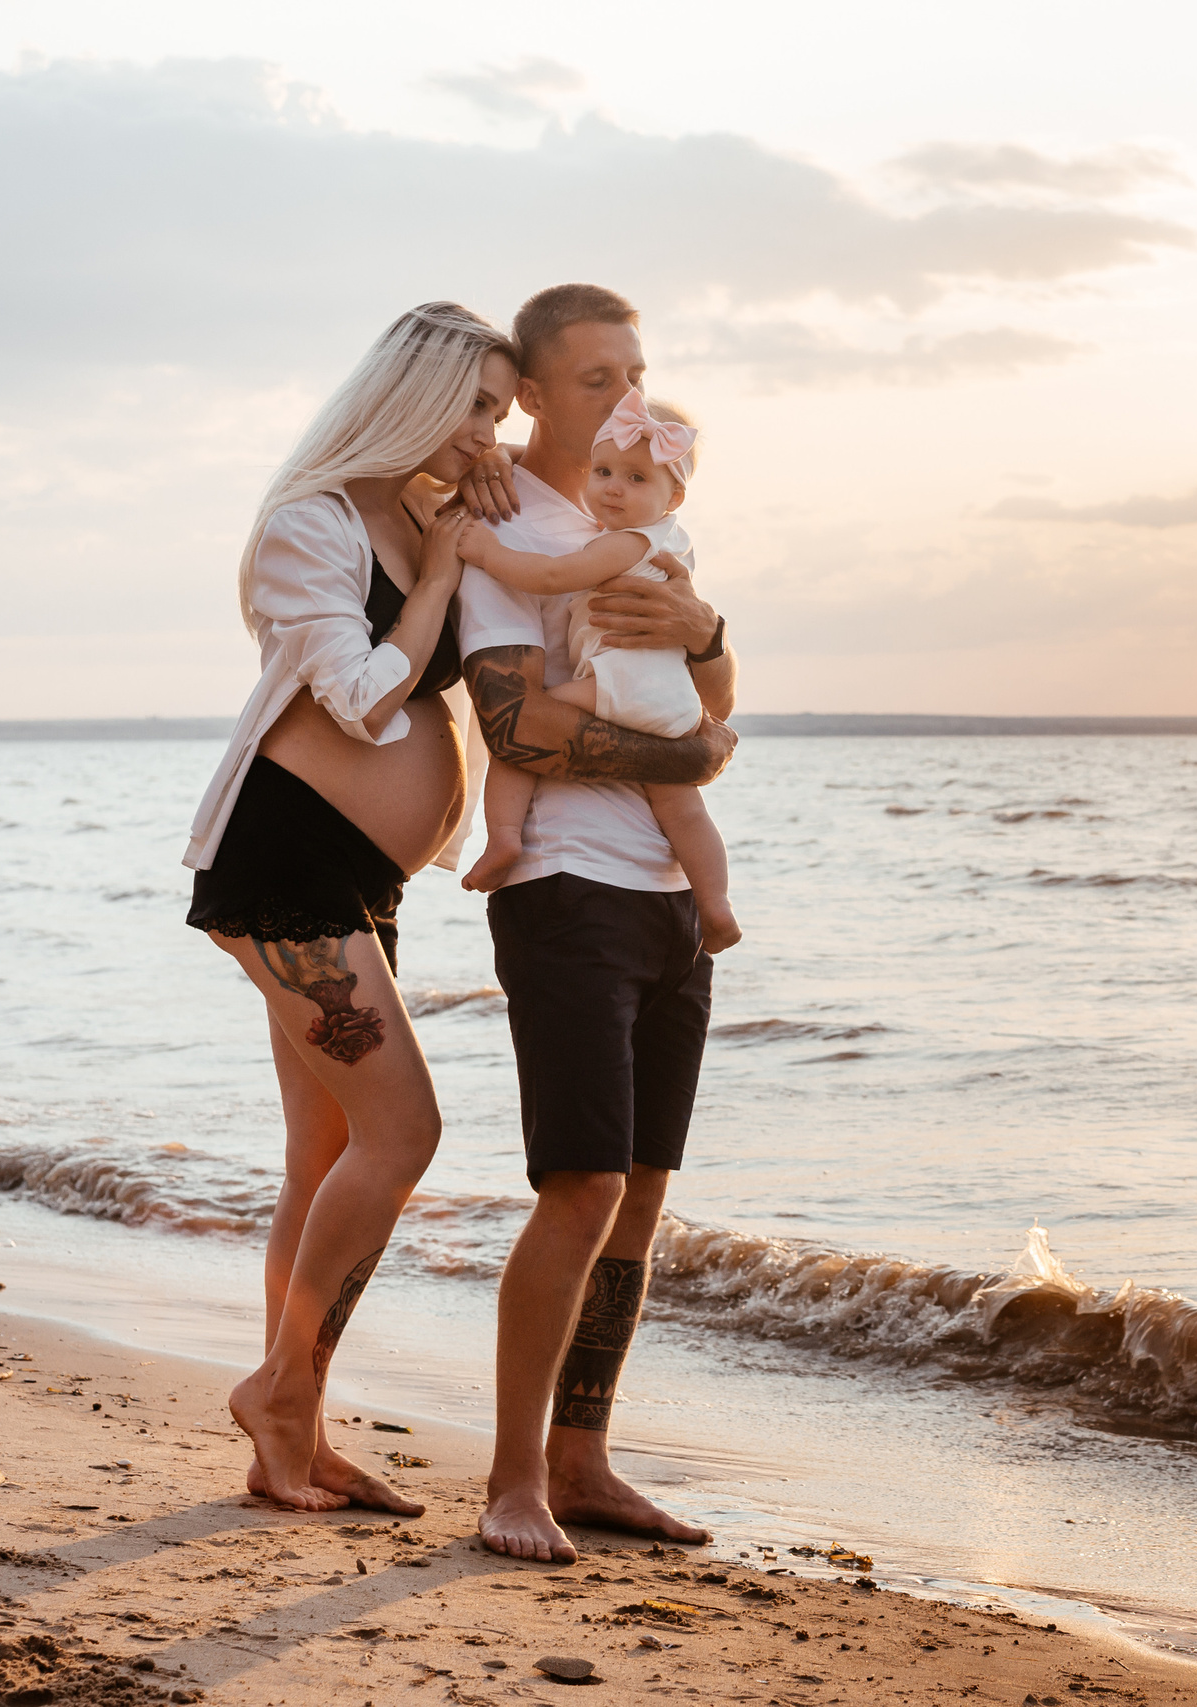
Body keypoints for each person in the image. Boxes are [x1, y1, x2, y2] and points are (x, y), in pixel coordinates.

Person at [181, 301, 520, 1514]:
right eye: (478, 403)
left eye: (503, 408)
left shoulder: (432, 511)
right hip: (287, 873)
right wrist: (434, 577)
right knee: (403, 1137)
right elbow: (366, 703)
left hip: (355, 885)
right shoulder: (310, 522)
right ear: (419, 395)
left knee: (325, 1153)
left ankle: (294, 1431)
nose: (493, 429)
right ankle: (278, 1392)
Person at [448, 282, 738, 1563]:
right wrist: (688, 760)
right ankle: (512, 1481)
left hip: (669, 902)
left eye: (634, 372)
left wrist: (709, 631)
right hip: (566, 887)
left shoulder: (651, 508)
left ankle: (586, 1459)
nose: (620, 397)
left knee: (642, 1199)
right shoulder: (506, 519)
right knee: (581, 1188)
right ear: (530, 389)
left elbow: (711, 702)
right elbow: (518, 724)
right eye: (590, 378)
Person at [456, 386, 739, 954]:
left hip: (618, 684)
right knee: (683, 808)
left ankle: (504, 837)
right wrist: (503, 454)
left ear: (673, 494)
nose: (612, 487)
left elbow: (556, 575)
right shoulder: (672, 544)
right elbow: (719, 704)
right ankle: (715, 904)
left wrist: (487, 553)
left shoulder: (625, 544)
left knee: (522, 732)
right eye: (604, 470)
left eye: (636, 479)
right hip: (673, 700)